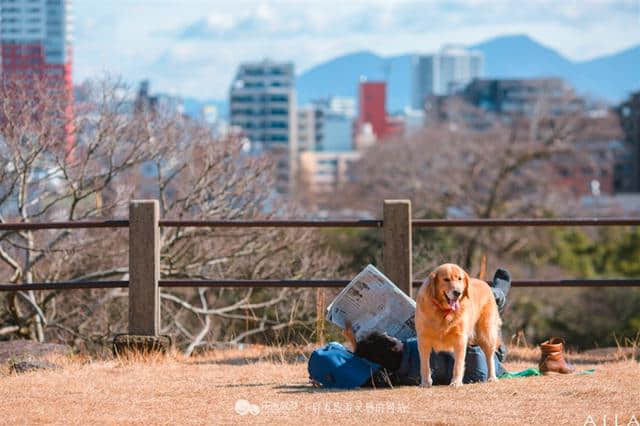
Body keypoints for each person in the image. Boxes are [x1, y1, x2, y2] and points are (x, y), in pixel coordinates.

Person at [308, 269, 512, 388]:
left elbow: (341, 357)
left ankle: (496, 299)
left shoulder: (393, 375)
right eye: (391, 338)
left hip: (480, 363)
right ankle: (498, 294)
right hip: (482, 356)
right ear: (395, 347)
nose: (392, 336)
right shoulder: (416, 346)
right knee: (480, 301)